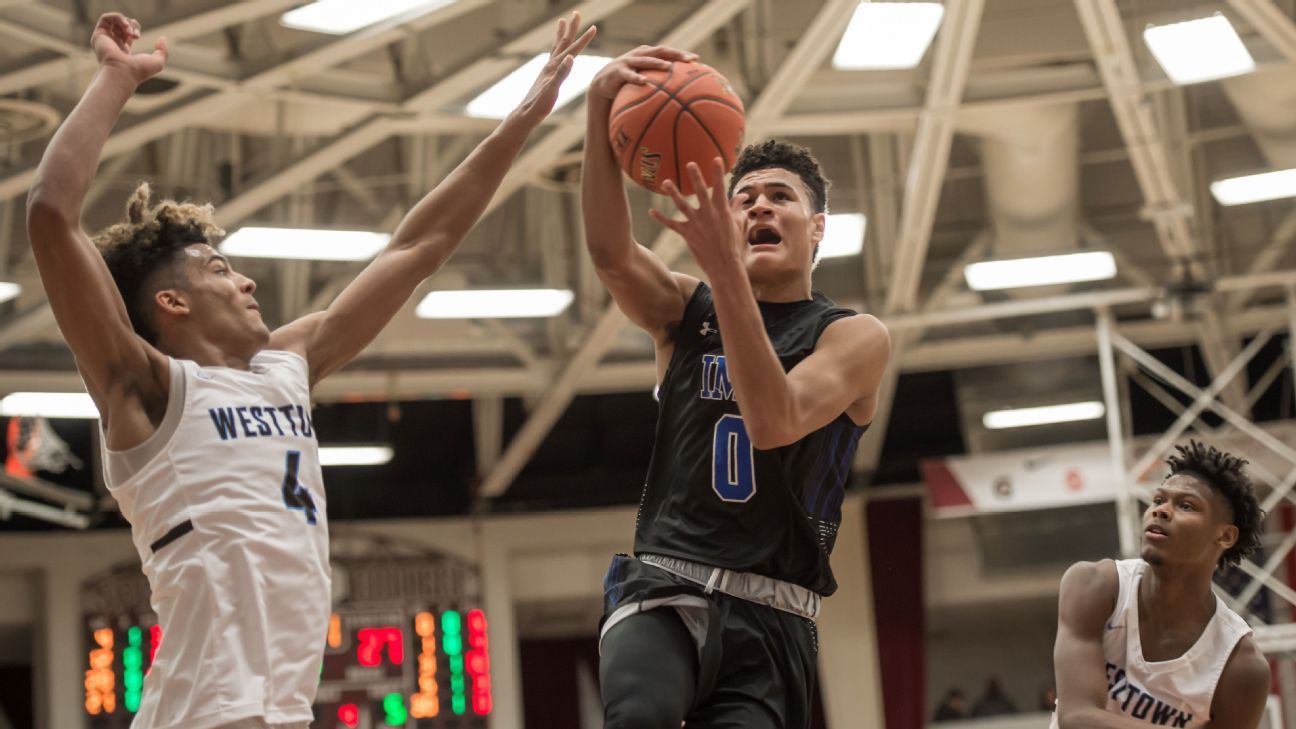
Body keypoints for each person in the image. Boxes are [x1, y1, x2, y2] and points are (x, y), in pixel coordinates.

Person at [26, 11, 594, 729]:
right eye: (220, 269)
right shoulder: (149, 389)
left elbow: (416, 248)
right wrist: (114, 78)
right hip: (201, 713)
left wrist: (523, 116)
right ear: (171, 302)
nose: (247, 282)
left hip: (280, 712)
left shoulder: (288, 366)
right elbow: (51, 212)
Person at [582, 47, 891, 729]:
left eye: (781, 197)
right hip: (668, 583)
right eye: (744, 197)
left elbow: (775, 420)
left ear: (816, 231)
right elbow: (608, 251)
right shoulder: (684, 309)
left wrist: (725, 275)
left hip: (776, 618)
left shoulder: (853, 336)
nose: (759, 207)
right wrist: (599, 109)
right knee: (639, 718)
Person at [1051, 441, 1271, 729]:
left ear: (1226, 536)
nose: (1161, 511)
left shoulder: (1240, 664)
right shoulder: (1094, 586)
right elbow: (1077, 718)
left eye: (1186, 505)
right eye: (1158, 500)